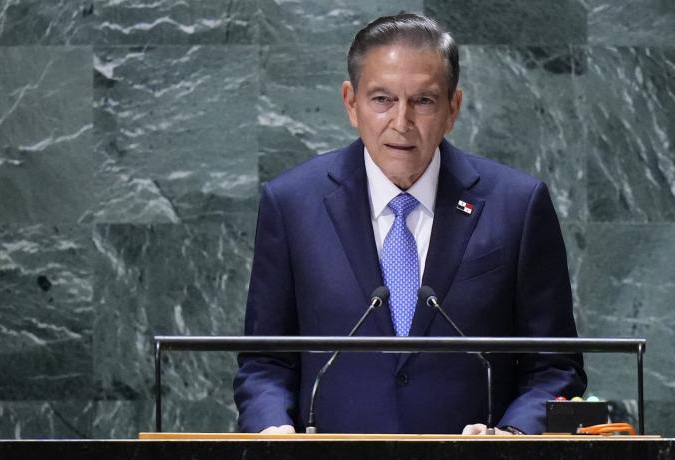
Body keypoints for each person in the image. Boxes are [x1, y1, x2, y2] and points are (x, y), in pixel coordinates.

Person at [233, 13, 585, 435]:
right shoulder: (292, 203)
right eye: (382, 99)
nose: (401, 122)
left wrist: (511, 438)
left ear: (452, 108)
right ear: (351, 102)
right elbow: (265, 362)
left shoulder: (517, 206)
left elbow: (555, 367)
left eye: (423, 101)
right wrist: (272, 429)